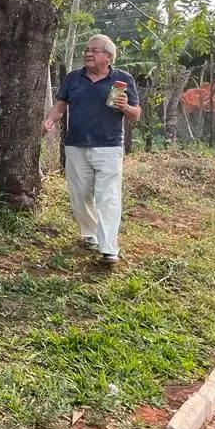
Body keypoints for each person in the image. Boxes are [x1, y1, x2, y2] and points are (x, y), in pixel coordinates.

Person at [42, 35, 141, 264]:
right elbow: (60, 107)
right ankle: (89, 233)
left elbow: (136, 114)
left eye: (94, 50)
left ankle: (109, 249)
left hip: (109, 146)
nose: (88, 54)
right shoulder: (73, 78)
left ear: (108, 56)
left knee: (109, 196)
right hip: (76, 145)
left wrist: (125, 107)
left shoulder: (122, 80)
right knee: (81, 193)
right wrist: (49, 120)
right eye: (86, 50)